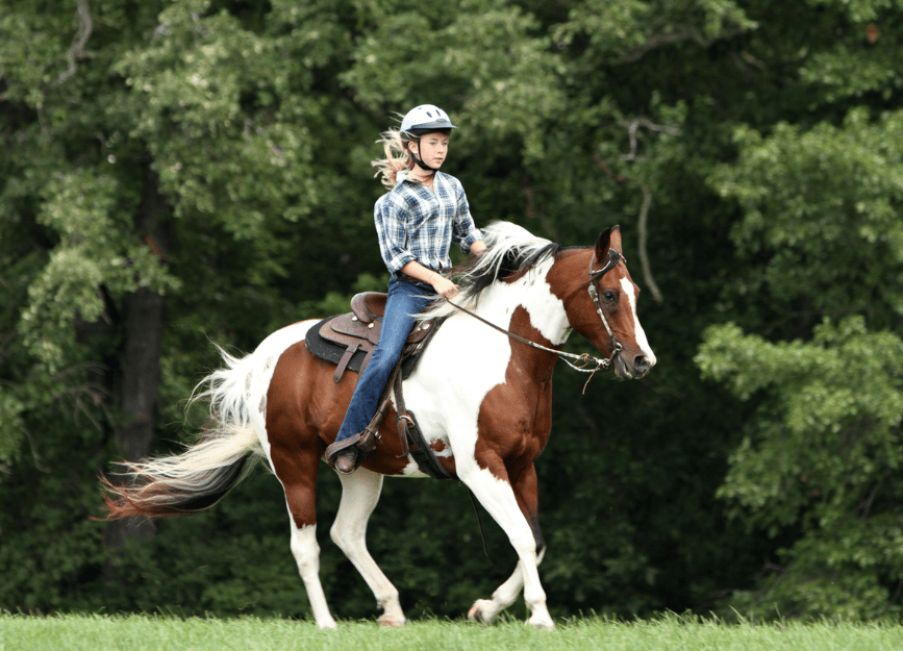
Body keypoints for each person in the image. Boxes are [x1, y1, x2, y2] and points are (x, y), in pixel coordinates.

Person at [325, 104, 486, 474]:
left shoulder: (452, 186)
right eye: (433, 142)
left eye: (444, 142)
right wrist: (436, 279)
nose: (441, 149)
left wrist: (496, 260)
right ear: (411, 147)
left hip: (450, 287)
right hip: (411, 290)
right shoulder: (391, 202)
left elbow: (469, 234)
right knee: (385, 355)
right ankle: (351, 437)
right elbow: (396, 258)